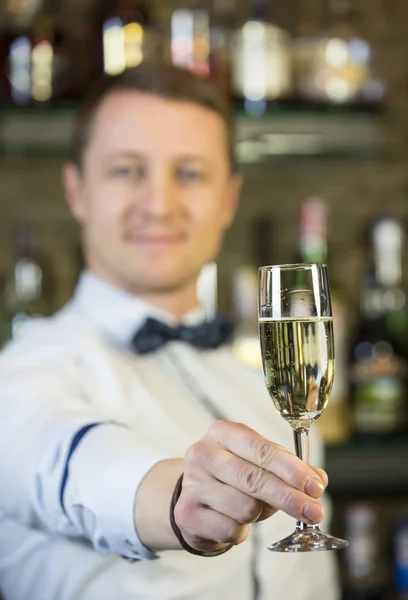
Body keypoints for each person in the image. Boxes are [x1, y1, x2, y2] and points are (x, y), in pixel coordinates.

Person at [0, 62, 340, 600]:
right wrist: (179, 500)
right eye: (126, 170)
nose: (159, 205)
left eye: (189, 173)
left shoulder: (265, 381)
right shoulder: (25, 373)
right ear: (76, 190)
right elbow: (67, 464)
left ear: (228, 199)